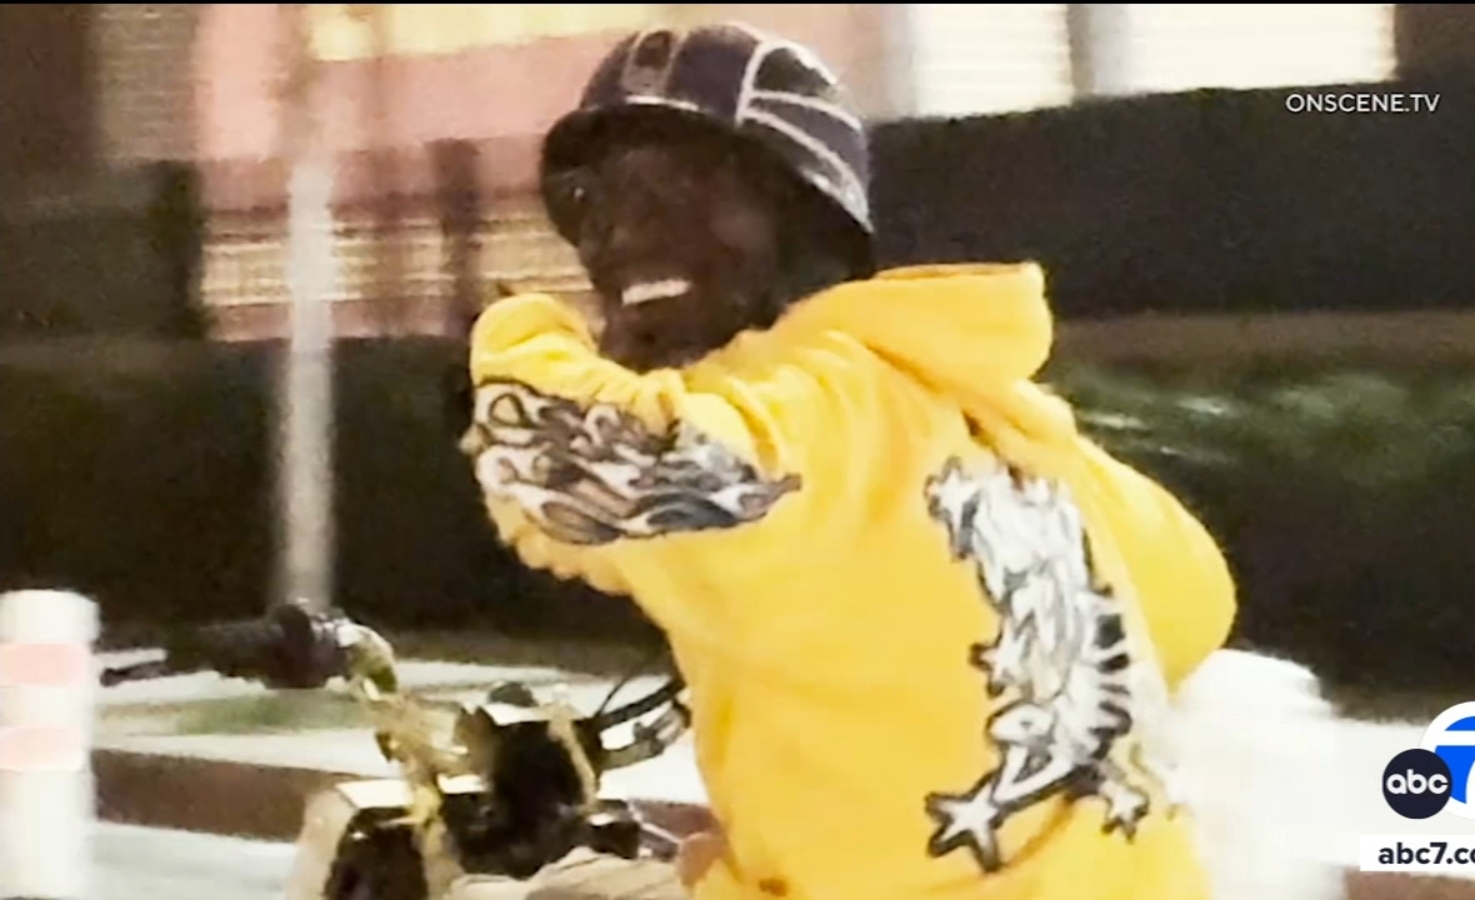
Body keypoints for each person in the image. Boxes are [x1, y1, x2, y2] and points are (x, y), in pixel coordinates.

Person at [454, 21, 1344, 900]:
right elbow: (1195, 596)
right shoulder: (989, 421)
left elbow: (574, 454)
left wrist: (518, 330)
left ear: (808, 218)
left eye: (685, 184)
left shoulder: (814, 418)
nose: (619, 232)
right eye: (596, 202)